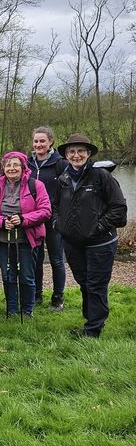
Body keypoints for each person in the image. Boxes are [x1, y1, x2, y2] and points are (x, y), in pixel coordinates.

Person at [54, 134, 127, 338]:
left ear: (88, 153)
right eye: (71, 151)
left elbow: (119, 208)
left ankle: (93, 329)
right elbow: (55, 206)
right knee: (84, 282)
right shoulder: (64, 179)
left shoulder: (101, 176)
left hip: (100, 243)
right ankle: (91, 319)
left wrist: (98, 227)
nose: (76, 155)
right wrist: (59, 225)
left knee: (96, 284)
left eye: (80, 151)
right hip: (73, 243)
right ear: (66, 155)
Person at [0, 152, 51, 318]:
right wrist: (1, 222)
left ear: (23, 167)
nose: (11, 168)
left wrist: (23, 219)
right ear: (3, 168)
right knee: (8, 275)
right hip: (4, 239)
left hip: (27, 239)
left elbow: (46, 211)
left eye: (15, 165)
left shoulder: (36, 185)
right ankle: (12, 310)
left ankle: (28, 310)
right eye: (8, 165)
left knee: (27, 275)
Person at [27, 126, 69, 311]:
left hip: (53, 218)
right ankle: (37, 295)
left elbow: (67, 191)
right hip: (33, 218)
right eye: (36, 141)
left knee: (56, 259)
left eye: (42, 141)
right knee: (35, 258)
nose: (39, 144)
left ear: (51, 141)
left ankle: (58, 297)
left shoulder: (60, 163)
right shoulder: (28, 163)